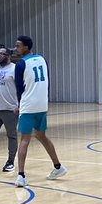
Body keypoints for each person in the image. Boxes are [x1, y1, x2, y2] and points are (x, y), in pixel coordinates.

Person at [13, 36, 66, 187]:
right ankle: (58, 166)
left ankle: (21, 175)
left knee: (24, 139)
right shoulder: (42, 59)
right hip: (42, 104)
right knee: (41, 135)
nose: (16, 49)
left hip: (28, 105)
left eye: (18, 46)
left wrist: (19, 105)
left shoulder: (21, 64)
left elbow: (19, 88)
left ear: (26, 47)